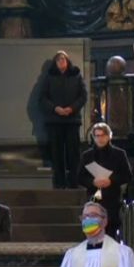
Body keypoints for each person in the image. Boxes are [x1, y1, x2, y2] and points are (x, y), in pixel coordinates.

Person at [77, 123, 134, 239]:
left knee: (110, 233)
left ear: (109, 136)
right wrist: (93, 182)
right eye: (97, 136)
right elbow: (79, 177)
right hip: (93, 197)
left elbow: (127, 176)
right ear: (93, 137)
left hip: (112, 198)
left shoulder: (119, 154)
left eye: (103, 135)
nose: (100, 138)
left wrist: (111, 181)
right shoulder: (87, 155)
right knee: (92, 231)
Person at [40, 51, 87, 189]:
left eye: (63, 59)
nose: (61, 62)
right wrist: (55, 108)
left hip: (72, 121)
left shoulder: (76, 76)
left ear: (68, 61)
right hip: (54, 121)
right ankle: (59, 183)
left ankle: (73, 183)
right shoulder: (49, 77)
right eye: (58, 60)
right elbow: (42, 99)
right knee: (57, 153)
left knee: (73, 153)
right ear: (55, 62)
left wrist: (71, 108)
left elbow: (83, 96)